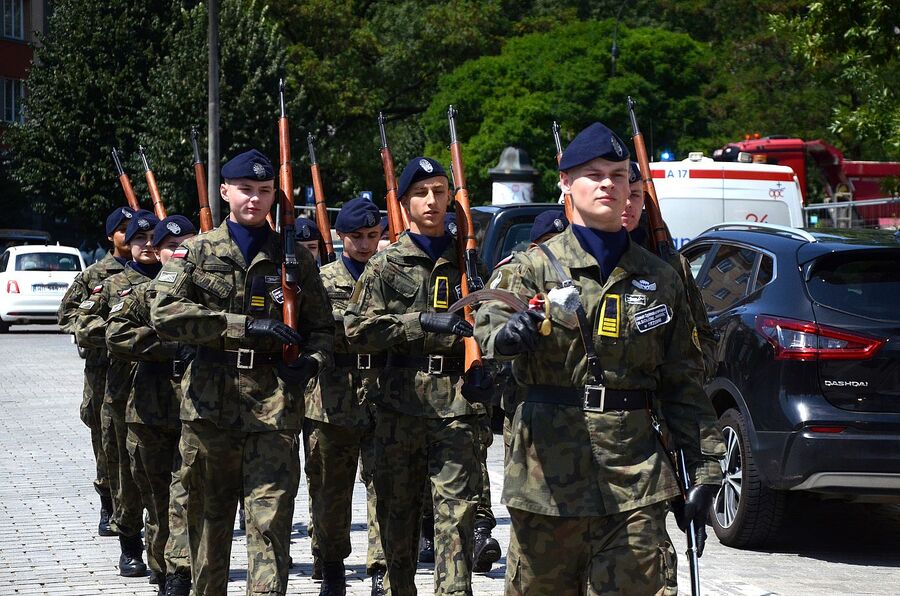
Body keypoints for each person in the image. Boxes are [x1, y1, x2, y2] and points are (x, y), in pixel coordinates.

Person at [474, 122, 726, 595]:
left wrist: (706, 467)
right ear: (566, 182)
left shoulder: (660, 277)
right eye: (594, 174)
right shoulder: (529, 268)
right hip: (547, 481)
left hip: (636, 478)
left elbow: (682, 383)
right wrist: (510, 337)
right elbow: (488, 332)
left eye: (619, 174)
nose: (609, 184)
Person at [148, 149, 333, 596]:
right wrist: (244, 326)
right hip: (209, 409)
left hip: (274, 408)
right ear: (225, 191)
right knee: (208, 527)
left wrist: (310, 363)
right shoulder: (195, 252)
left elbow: (324, 329)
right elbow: (163, 311)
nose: (255, 199)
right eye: (246, 190)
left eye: (265, 190)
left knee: (269, 523)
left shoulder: (296, 259)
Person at [344, 157, 490, 595]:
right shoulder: (386, 266)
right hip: (399, 407)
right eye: (421, 193)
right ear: (405, 202)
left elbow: (495, 322)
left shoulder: (467, 258)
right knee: (398, 516)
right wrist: (419, 322)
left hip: (458, 404)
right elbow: (356, 330)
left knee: (456, 518)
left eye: (440, 191)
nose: (432, 201)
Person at [106, 215, 197, 596]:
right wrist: (169, 345)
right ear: (158, 254)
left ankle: (180, 573)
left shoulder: (210, 293)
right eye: (170, 248)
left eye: (186, 247)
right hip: (149, 413)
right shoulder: (144, 294)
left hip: (201, 413)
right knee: (158, 500)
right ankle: (160, 567)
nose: (178, 254)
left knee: (187, 495)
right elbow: (115, 332)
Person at [304, 197, 386, 596]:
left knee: (384, 488)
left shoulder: (391, 276)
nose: (366, 244)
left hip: (383, 397)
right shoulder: (320, 280)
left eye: (373, 235)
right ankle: (332, 563)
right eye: (357, 236)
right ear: (340, 237)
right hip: (331, 401)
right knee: (330, 491)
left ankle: (381, 568)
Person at [74, 209, 163, 578]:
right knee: (127, 473)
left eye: (149, 239)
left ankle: (167, 555)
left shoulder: (179, 281)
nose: (143, 244)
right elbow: (83, 325)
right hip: (122, 390)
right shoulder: (112, 284)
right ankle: (130, 543)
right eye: (136, 238)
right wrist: (123, 335)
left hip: (171, 391)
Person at [58, 206, 134, 538]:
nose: (130, 237)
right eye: (123, 230)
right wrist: (109, 331)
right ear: (110, 236)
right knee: (106, 439)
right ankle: (109, 503)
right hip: (104, 370)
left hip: (145, 372)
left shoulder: (157, 269)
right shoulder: (96, 274)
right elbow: (68, 315)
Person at [623, 161, 717, 381]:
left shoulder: (671, 263)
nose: (627, 204)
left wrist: (693, 374)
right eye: (623, 195)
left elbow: (702, 333)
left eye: (636, 195)